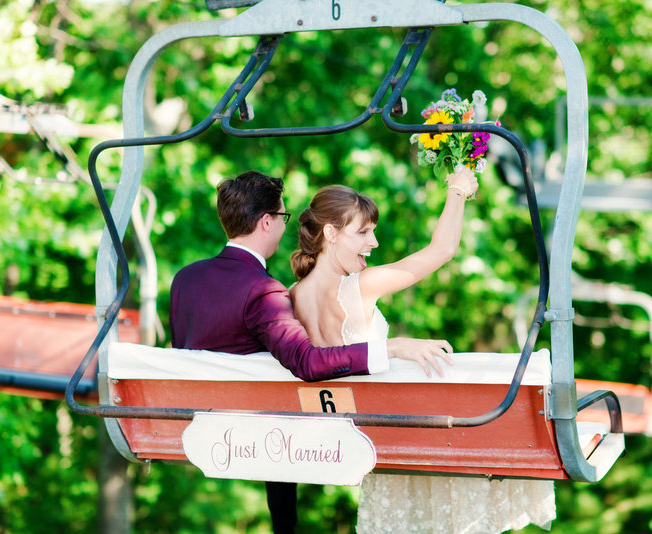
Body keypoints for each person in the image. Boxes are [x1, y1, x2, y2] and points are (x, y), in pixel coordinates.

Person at [169, 170, 455, 534]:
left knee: (278, 403)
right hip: (357, 430)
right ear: (267, 221)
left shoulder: (186, 280)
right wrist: (391, 347)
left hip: (205, 424)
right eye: (282, 216)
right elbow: (305, 363)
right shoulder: (265, 292)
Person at [288, 168, 556, 533]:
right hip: (403, 431)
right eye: (363, 232)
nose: (374, 242)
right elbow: (442, 250)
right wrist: (457, 190)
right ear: (331, 234)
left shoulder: (290, 297)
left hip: (363, 436)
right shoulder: (360, 286)